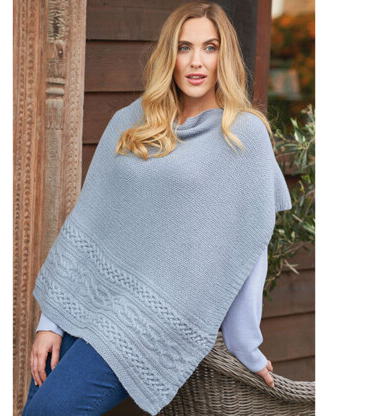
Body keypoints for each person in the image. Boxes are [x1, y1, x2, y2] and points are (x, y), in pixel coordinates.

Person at [22, 2, 291, 415]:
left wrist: (245, 344)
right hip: (88, 301)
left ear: (224, 57)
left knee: (51, 411)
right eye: (185, 48)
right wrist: (50, 322)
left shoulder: (243, 135)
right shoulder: (131, 122)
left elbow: (250, 243)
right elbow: (90, 219)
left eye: (210, 48)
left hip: (147, 325)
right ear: (170, 56)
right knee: (34, 406)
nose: (197, 61)